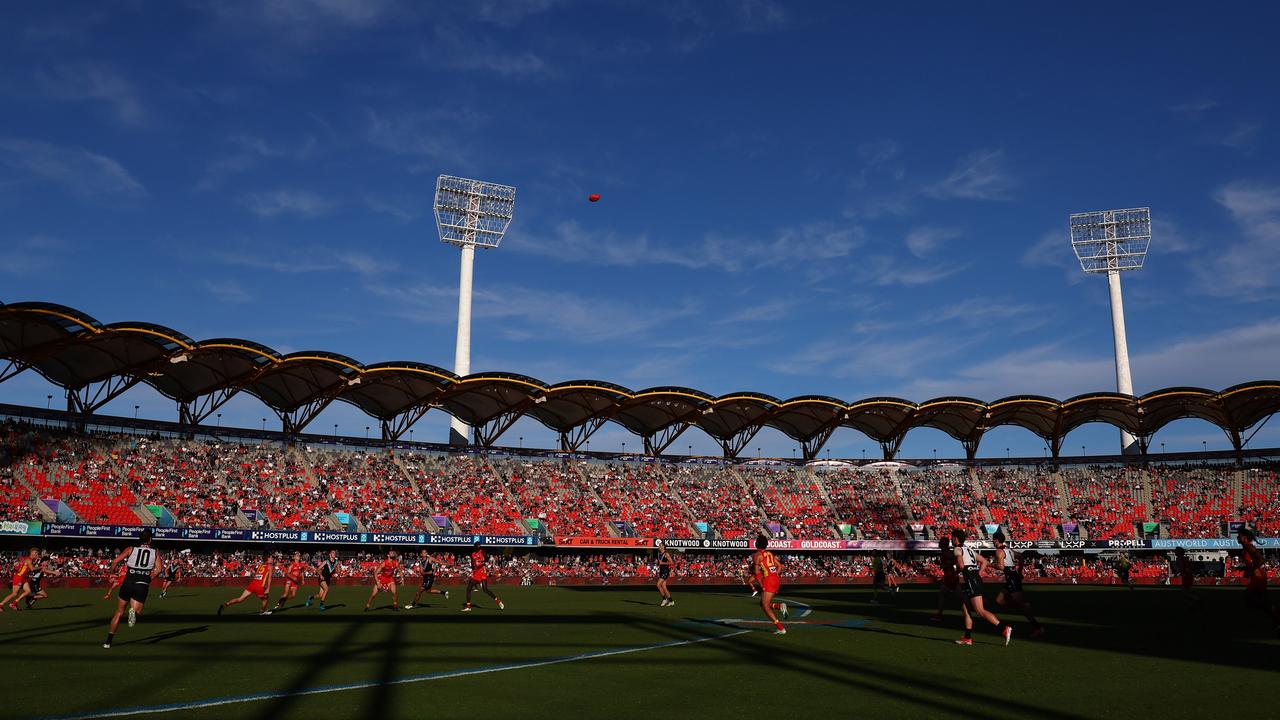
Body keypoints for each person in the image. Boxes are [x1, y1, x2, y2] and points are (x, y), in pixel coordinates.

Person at [951, 528, 1013, 646]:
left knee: (980, 611)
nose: (951, 539)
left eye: (952, 537)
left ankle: (1004, 628)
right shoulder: (969, 549)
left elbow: (961, 564)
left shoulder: (957, 549)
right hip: (974, 579)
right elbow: (984, 561)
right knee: (965, 607)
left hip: (970, 580)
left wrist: (955, 572)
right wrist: (978, 573)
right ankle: (967, 638)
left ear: (955, 538)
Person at [104, 529, 163, 648]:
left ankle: (108, 642)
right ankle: (133, 612)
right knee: (138, 611)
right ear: (150, 539)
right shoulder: (155, 551)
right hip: (142, 583)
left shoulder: (131, 549)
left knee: (119, 612)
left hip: (128, 582)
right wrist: (150, 577)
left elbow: (115, 561)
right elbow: (159, 569)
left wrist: (111, 573)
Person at [992, 532, 1043, 637]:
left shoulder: (999, 551)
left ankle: (1038, 628)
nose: (993, 541)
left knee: (1021, 607)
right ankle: (1020, 606)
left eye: (993, 540)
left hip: (1012, 579)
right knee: (999, 600)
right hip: (1012, 578)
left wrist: (990, 564)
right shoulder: (1009, 550)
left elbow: (1001, 567)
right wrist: (1019, 571)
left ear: (996, 540)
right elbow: (1021, 557)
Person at [1237, 528, 1280, 634]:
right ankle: (1275, 617)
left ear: (1245, 538)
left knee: (1250, 599)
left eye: (1239, 536)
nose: (1237, 537)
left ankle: (1274, 612)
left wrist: (1250, 570)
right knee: (1260, 600)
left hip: (1258, 577)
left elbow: (1261, 560)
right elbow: (1253, 563)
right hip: (1257, 576)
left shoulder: (1248, 546)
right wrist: (1243, 569)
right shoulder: (1246, 547)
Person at [752, 535, 789, 635]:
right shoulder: (770, 554)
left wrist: (761, 584)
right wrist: (775, 575)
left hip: (768, 580)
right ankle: (779, 606)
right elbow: (780, 566)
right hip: (775, 579)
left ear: (757, 544)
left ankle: (781, 628)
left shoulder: (756, 555)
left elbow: (757, 573)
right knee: (763, 604)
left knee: (765, 606)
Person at [462, 542, 504, 612]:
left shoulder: (482, 552)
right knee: (468, 588)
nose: (478, 547)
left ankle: (498, 601)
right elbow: (472, 564)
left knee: (485, 589)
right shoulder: (473, 554)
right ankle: (468, 607)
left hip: (482, 572)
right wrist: (473, 568)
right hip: (476, 573)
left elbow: (486, 559)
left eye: (479, 546)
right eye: (477, 546)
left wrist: (481, 563)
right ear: (475, 546)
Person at [931, 536, 961, 622]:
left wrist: (945, 565)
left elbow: (953, 562)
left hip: (950, 576)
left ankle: (939, 615)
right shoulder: (946, 552)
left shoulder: (947, 552)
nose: (939, 543)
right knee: (946, 594)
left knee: (943, 595)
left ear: (944, 543)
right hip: (950, 576)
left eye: (940, 542)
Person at [655, 541, 675, 607]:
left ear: (663, 546)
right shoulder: (658, 553)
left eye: (660, 545)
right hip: (661, 571)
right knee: (664, 587)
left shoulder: (666, 554)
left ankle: (664, 599)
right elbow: (660, 562)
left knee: (658, 585)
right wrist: (657, 562)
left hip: (665, 571)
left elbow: (672, 562)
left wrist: (662, 563)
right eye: (659, 545)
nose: (659, 547)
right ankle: (671, 601)